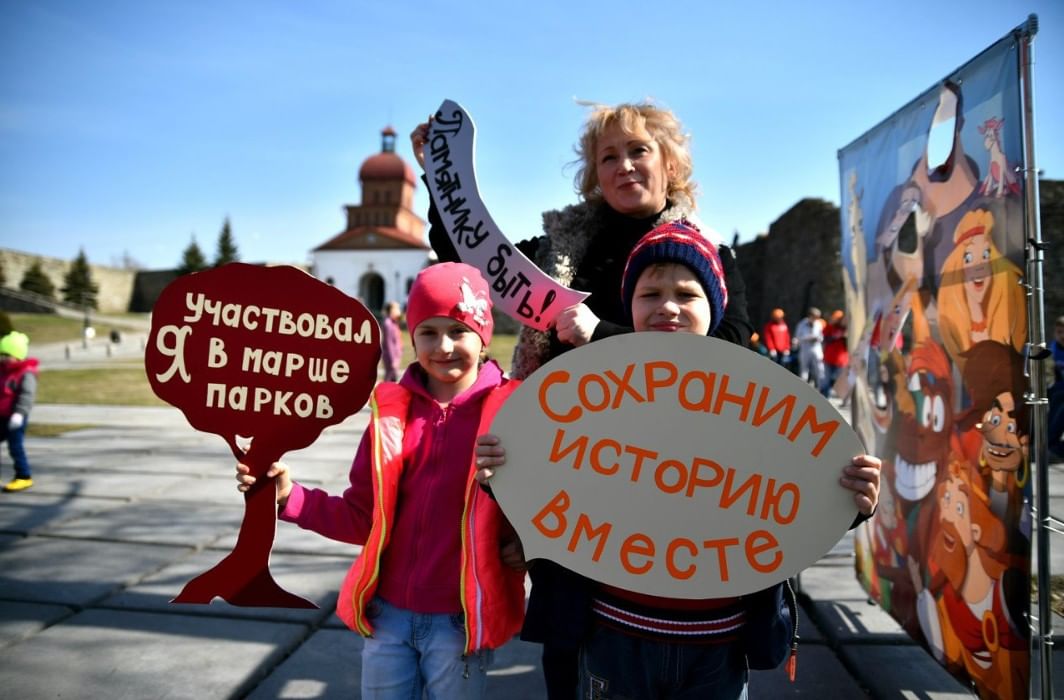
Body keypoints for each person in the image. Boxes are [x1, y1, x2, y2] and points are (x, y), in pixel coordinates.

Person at [413, 101, 754, 697]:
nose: (624, 166)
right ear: (593, 175)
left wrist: (603, 335)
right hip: (571, 477)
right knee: (569, 641)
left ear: (670, 163)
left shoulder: (707, 255)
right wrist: (438, 180)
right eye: (608, 157)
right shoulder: (558, 248)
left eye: (638, 151)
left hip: (668, 483)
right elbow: (473, 264)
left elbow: (731, 356)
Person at [476, 222, 882, 698]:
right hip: (611, 634)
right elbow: (554, 479)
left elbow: (788, 497)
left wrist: (851, 500)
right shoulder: (589, 397)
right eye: (650, 293)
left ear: (716, 309)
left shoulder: (759, 403)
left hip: (718, 645)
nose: (667, 307)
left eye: (687, 295)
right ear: (629, 305)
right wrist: (503, 471)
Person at [236, 263, 525, 699]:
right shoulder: (389, 415)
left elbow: (548, 506)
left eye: (458, 330)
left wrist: (529, 546)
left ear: (482, 336)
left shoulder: (516, 414)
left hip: (461, 620)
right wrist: (289, 498)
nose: (443, 346)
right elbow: (362, 516)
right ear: (411, 337)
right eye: (428, 332)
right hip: (388, 616)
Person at [0, 331, 38, 493]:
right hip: (1, 416)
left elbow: (27, 395)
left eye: (7, 355)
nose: (3, 358)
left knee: (15, 447)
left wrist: (19, 413)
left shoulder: (26, 373)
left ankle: (23, 476)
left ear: (18, 355)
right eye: (2, 354)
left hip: (16, 417)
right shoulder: (3, 371)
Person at [795, 307, 825, 390]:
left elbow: (822, 336)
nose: (815, 319)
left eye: (817, 317)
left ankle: (820, 388)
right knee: (804, 370)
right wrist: (807, 338)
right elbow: (797, 337)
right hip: (805, 348)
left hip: (816, 348)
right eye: (814, 317)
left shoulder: (819, 324)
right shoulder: (802, 324)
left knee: (819, 368)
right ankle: (802, 389)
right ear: (810, 316)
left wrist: (818, 338)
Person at [822, 310, 848, 398]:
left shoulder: (847, 329)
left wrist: (844, 337)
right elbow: (825, 340)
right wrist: (835, 337)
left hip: (841, 359)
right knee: (826, 379)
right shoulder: (829, 327)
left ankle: (840, 396)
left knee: (837, 379)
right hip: (829, 357)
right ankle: (824, 397)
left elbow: (849, 345)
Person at [1048, 316, 1064, 461]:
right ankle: (1051, 443)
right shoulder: (1051, 351)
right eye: (1060, 332)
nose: (1062, 336)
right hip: (1056, 393)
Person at [380, 300, 403, 382]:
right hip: (391, 358)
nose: (399, 311)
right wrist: (393, 360)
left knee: (393, 379)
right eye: (397, 309)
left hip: (396, 357)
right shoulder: (388, 324)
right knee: (389, 379)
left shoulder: (394, 323)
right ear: (392, 310)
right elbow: (389, 343)